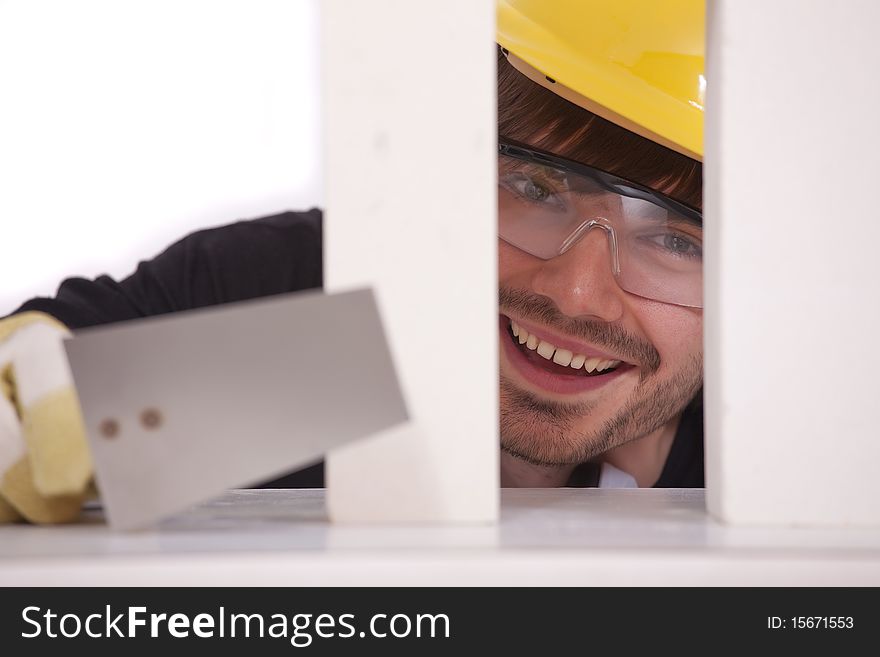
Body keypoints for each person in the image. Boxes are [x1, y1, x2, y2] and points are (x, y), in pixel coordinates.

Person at [0, 0, 704, 523]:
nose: (579, 293)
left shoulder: (782, 448)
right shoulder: (290, 297)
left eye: (677, 240)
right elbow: (43, 371)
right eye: (531, 187)